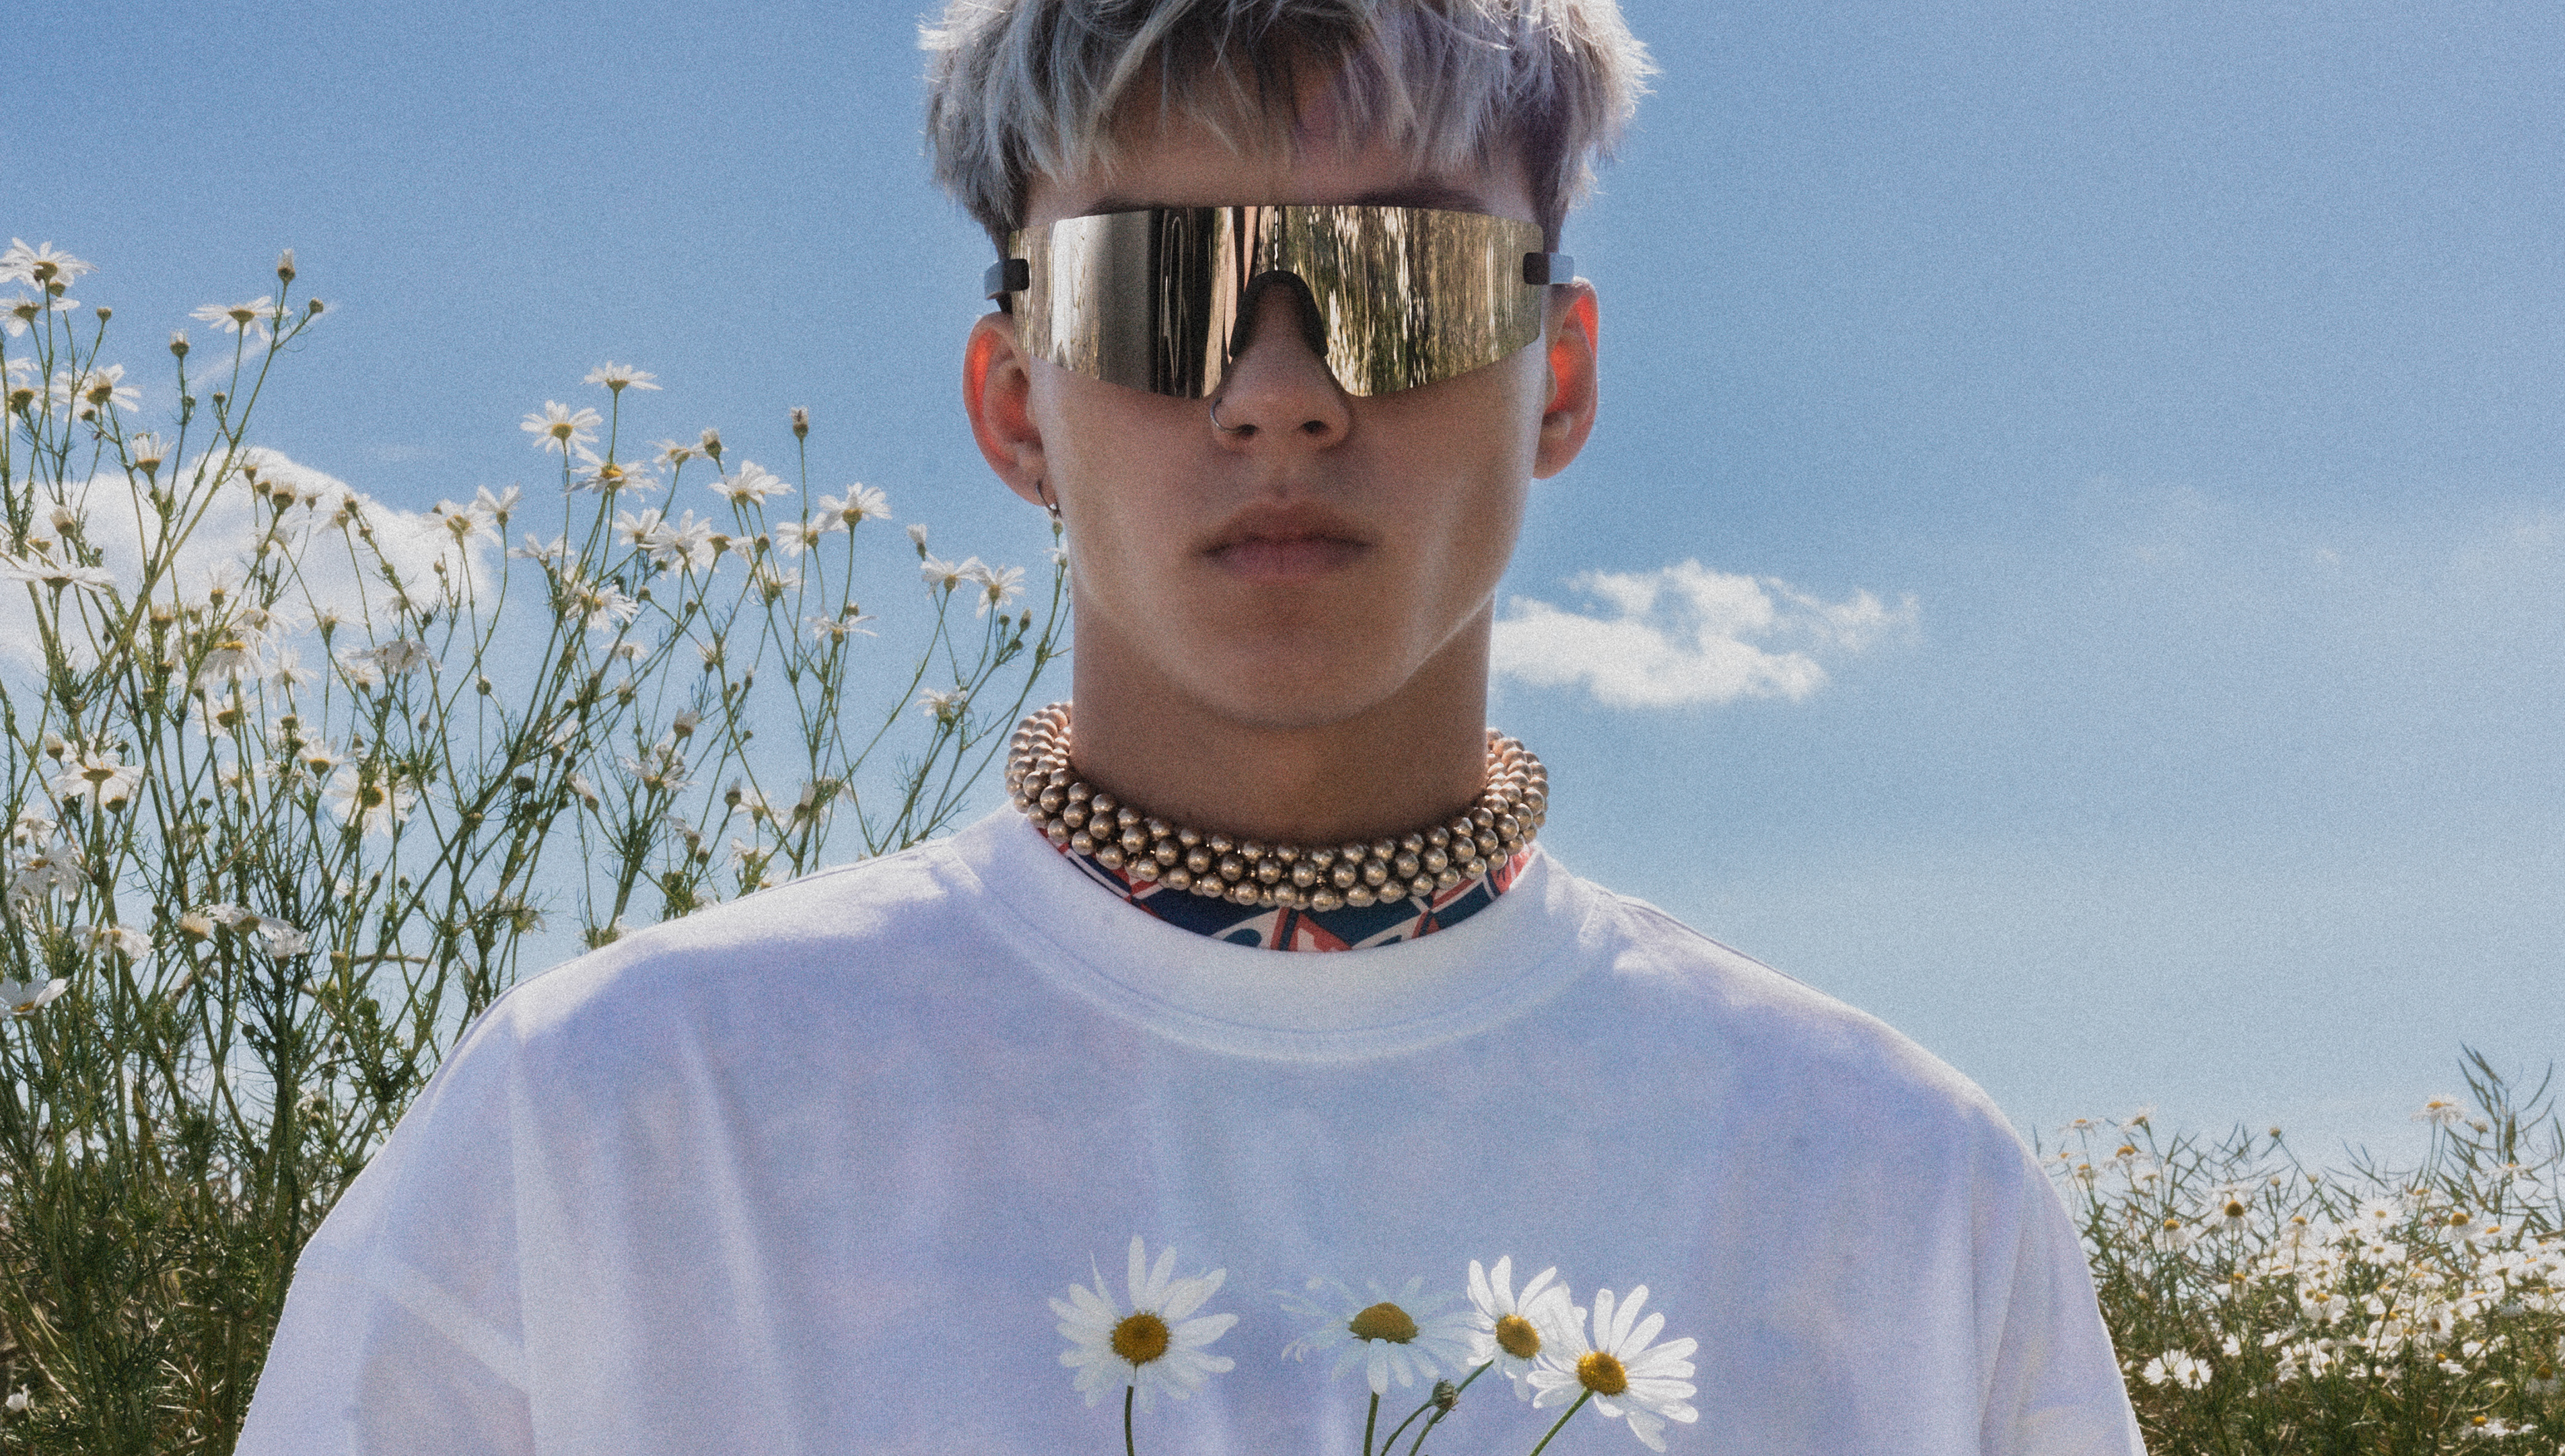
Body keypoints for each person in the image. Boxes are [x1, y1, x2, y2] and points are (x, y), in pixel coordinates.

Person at [238, 2, 2145, 1452]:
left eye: (1401, 284)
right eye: (1161, 292)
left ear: (1556, 374)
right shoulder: (611, 1125)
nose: (1279, 391)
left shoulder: (1904, 1203)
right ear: (1016, 401)